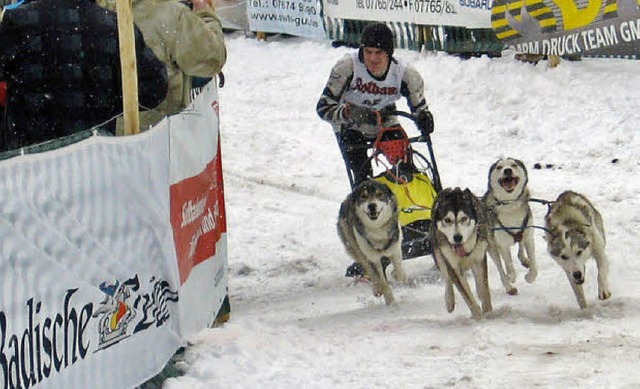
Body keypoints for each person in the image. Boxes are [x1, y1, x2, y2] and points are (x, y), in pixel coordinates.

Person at [0, 0, 168, 151]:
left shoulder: (18, 22)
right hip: (94, 155)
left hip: (31, 158)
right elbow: (155, 86)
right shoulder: (114, 25)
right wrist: (105, 98)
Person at [317, 22, 435, 188]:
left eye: (378, 52)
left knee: (406, 170)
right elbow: (323, 107)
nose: (373, 58)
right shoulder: (347, 67)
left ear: (389, 53)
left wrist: (424, 118)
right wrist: (349, 113)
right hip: (350, 125)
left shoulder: (405, 74)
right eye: (368, 52)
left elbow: (420, 108)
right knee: (363, 179)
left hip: (385, 122)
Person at [97, 0, 227, 132]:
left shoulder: (87, 10)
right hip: (158, 137)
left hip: (96, 144)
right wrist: (205, 13)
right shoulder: (167, 12)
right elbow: (211, 60)